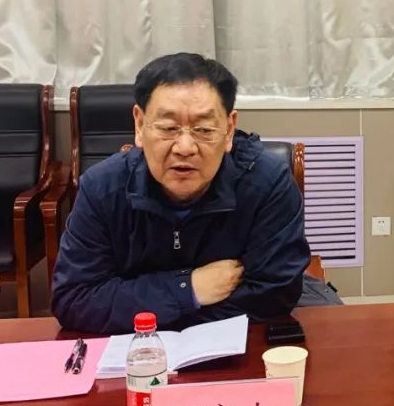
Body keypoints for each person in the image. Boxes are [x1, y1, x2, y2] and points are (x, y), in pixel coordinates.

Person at [52, 53, 311, 334]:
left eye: (203, 129)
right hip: (139, 352)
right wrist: (188, 290)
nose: (185, 147)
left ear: (229, 130)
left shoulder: (267, 182)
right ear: (139, 125)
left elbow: (273, 296)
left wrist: (146, 309)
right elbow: (74, 299)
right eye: (168, 128)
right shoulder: (102, 188)